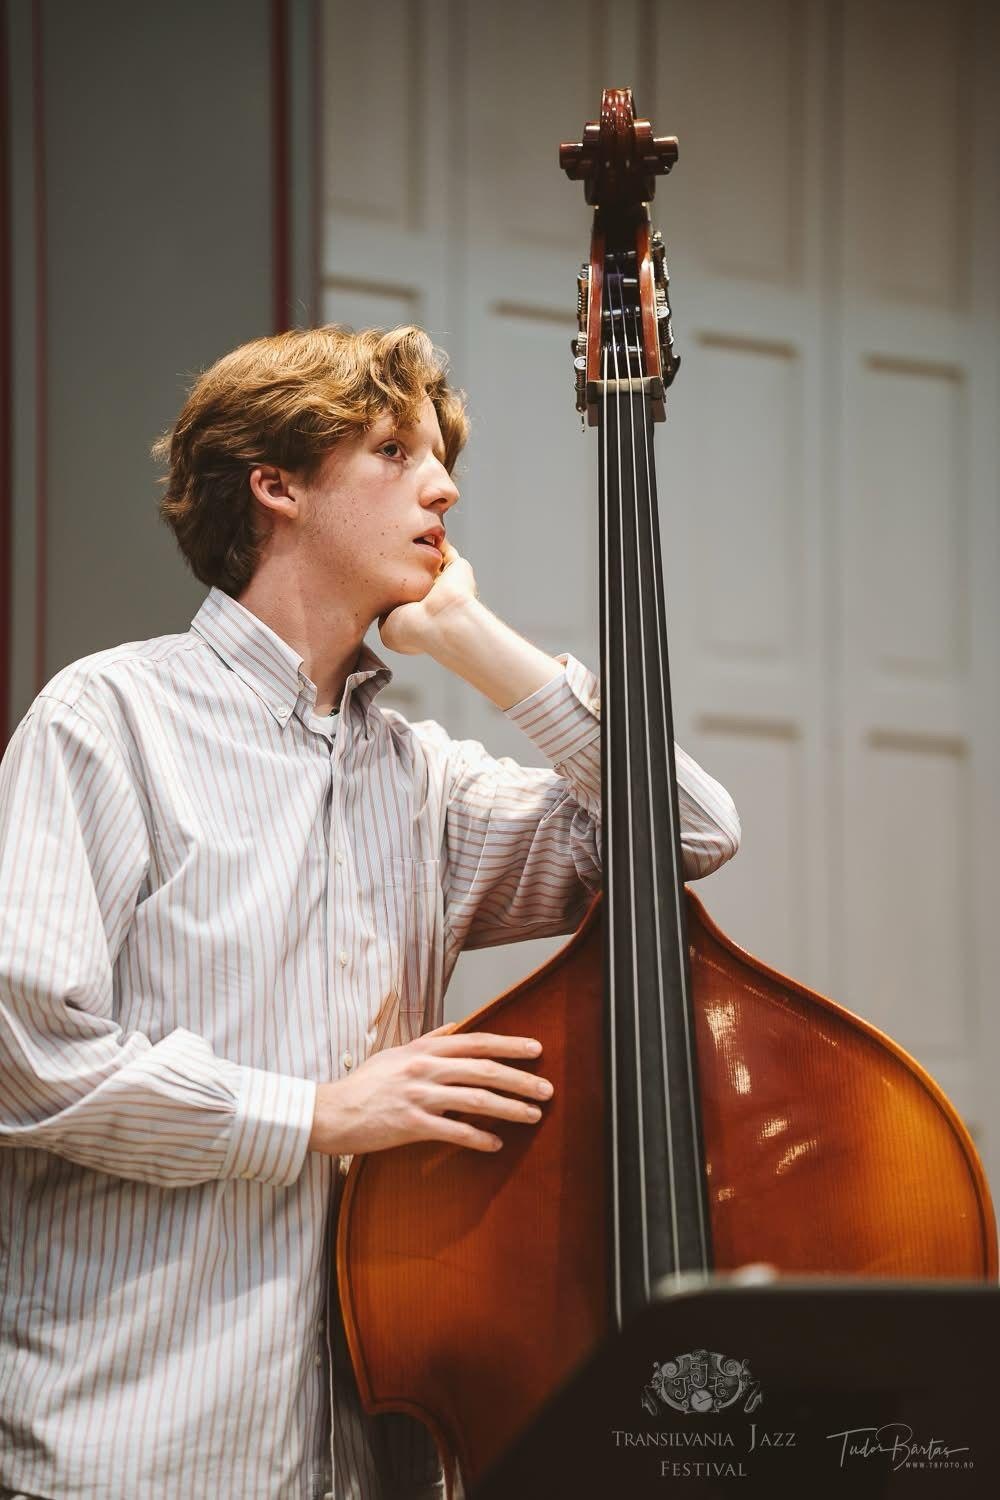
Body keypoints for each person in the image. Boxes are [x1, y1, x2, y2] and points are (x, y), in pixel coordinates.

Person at [0, 326, 740, 1500]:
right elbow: (27, 1055)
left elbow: (689, 830)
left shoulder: (422, 780)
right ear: (276, 484)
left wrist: (476, 645)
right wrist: (315, 1113)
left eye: (440, 457)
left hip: (371, 1458)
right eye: (395, 451)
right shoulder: (107, 719)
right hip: (138, 1450)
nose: (442, 487)